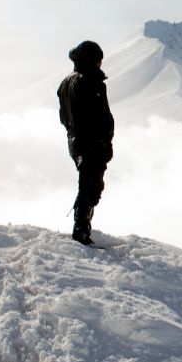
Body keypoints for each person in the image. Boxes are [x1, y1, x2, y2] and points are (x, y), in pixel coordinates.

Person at [57, 40, 114, 245]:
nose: (101, 64)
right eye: (99, 59)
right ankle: (81, 230)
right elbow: (96, 116)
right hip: (91, 144)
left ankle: (82, 228)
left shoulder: (66, 82)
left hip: (78, 142)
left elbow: (64, 117)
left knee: (88, 184)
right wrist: (101, 141)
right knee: (90, 186)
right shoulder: (88, 81)